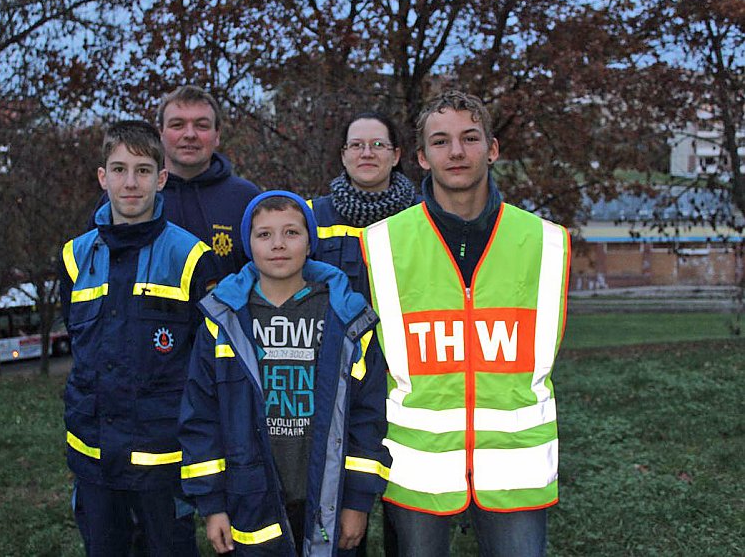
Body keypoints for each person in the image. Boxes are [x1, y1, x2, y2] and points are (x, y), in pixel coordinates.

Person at [360, 91, 571, 556]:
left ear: (492, 148)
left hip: (517, 469)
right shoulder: (381, 245)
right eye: (440, 141)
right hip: (418, 467)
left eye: (470, 138)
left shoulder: (546, 242)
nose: (456, 152)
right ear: (420, 157)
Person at [178, 191, 391, 556]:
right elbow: (202, 417)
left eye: (291, 232)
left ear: (310, 242)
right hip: (250, 500)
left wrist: (357, 501)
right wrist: (212, 506)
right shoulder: (222, 321)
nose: (278, 244)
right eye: (264, 235)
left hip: (330, 499)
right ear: (248, 244)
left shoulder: (346, 319)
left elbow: (367, 414)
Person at [60, 120, 213, 556]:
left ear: (161, 178)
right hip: (92, 456)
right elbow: (77, 342)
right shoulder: (74, 257)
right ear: (102, 176)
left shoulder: (190, 257)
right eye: (120, 169)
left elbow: (206, 363)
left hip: (162, 461)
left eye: (143, 170)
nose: (131, 182)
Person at [90, 86, 260, 282]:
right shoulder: (125, 197)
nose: (189, 134)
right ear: (160, 133)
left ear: (217, 134)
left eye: (201, 125)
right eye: (177, 125)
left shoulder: (245, 199)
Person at [308, 111, 420, 298]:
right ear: (344, 156)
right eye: (356, 145)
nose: (367, 154)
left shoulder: (425, 214)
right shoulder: (311, 216)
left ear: (396, 156)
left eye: (378, 145)